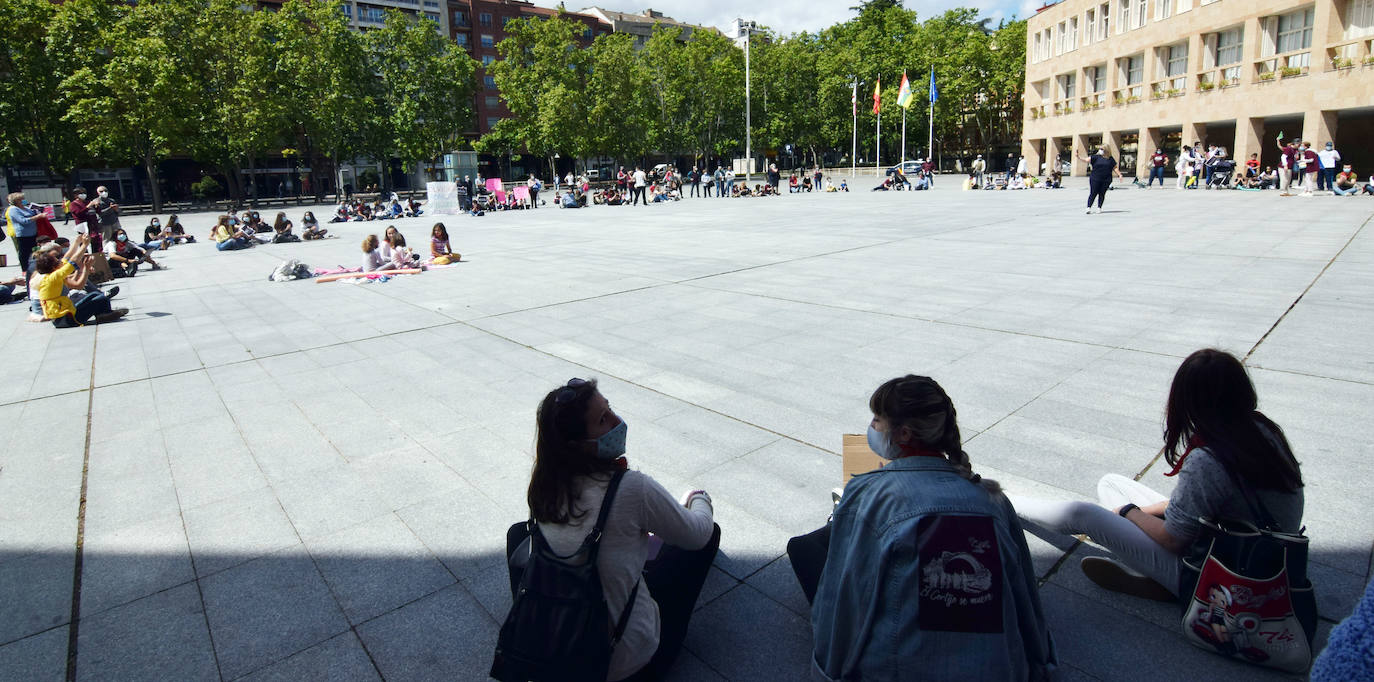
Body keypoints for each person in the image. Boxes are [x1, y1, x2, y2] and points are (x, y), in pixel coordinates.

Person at [790, 375, 1055, 680]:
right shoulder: (992, 500)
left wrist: (827, 672)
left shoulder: (869, 494)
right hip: (1000, 670)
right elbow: (1023, 591)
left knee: (805, 547)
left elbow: (847, 595)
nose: (872, 427)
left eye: (877, 419)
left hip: (895, 669)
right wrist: (1041, 665)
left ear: (903, 433)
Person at [1011, 349, 1304, 602]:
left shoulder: (1209, 459)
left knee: (1082, 514)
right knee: (1111, 483)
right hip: (1257, 557)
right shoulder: (1263, 430)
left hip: (1222, 580)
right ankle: (1160, 581)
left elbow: (1174, 540)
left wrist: (1128, 513)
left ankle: (1008, 501)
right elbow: (1205, 505)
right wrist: (1133, 514)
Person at [504, 378, 719, 681]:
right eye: (603, 419)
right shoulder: (632, 488)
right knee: (708, 536)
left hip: (555, 647)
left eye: (610, 409)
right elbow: (698, 534)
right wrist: (700, 498)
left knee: (518, 534)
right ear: (579, 446)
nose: (618, 422)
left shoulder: (544, 486)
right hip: (625, 665)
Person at [34, 234, 127, 327]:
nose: (60, 261)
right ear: (53, 267)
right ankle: (105, 313)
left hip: (64, 316)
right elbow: (72, 262)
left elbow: (67, 258)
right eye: (57, 261)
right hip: (67, 319)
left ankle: (105, 314)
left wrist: (77, 242)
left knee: (94, 295)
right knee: (101, 298)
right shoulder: (53, 277)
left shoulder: (51, 276)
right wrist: (84, 245)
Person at [6, 192, 43, 274]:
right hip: (23, 235)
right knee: (24, 253)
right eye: (21, 199)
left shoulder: (26, 208)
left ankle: (36, 267)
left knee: (35, 251)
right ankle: (25, 270)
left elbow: (33, 213)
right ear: (16, 201)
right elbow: (23, 221)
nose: (23, 200)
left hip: (34, 233)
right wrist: (37, 217)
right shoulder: (13, 210)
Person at [1080, 145, 1123, 214]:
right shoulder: (1096, 157)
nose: (1100, 150)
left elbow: (1115, 168)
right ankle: (1088, 207)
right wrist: (1078, 157)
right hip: (1095, 178)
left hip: (1106, 179)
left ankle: (1099, 208)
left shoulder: (1110, 159)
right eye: (1100, 149)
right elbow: (1086, 160)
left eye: (1102, 149)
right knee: (1093, 193)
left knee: (1102, 193)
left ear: (1106, 150)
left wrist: (1120, 175)